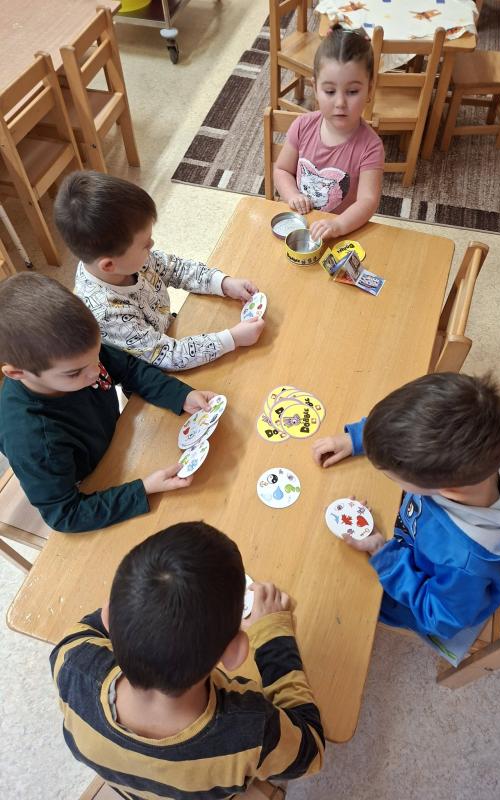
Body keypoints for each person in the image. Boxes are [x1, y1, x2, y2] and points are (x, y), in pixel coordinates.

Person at [50, 521, 325, 799]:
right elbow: (312, 749)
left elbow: (92, 625)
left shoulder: (72, 663)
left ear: (110, 617)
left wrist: (140, 605)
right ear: (234, 653)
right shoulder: (253, 732)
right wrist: (272, 634)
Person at [312, 373, 500, 642]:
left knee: (330, 594)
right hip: (420, 539)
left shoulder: (465, 566)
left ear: (447, 491)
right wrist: (359, 440)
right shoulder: (491, 429)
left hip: (419, 593)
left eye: (393, 476)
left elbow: (438, 618)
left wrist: (384, 554)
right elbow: (421, 424)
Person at [0, 273, 216, 533]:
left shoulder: (76, 352)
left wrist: (180, 395)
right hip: (88, 479)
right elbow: (65, 514)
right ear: (17, 373)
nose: (95, 371)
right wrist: (143, 489)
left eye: (96, 355)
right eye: (75, 373)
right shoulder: (32, 441)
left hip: (114, 441)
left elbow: (128, 368)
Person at [54, 170, 265, 372]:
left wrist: (222, 283)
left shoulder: (126, 261)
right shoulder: (107, 313)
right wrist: (232, 339)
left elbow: (175, 269)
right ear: (109, 265)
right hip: (155, 372)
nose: (152, 245)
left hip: (169, 332)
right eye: (145, 244)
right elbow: (168, 356)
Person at [273, 25, 384, 243]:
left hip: (341, 233)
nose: (340, 102)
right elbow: (281, 170)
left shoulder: (371, 147)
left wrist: (338, 225)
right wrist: (292, 195)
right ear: (315, 88)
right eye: (330, 91)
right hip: (298, 226)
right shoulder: (302, 126)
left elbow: (368, 201)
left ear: (369, 89)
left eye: (352, 91)